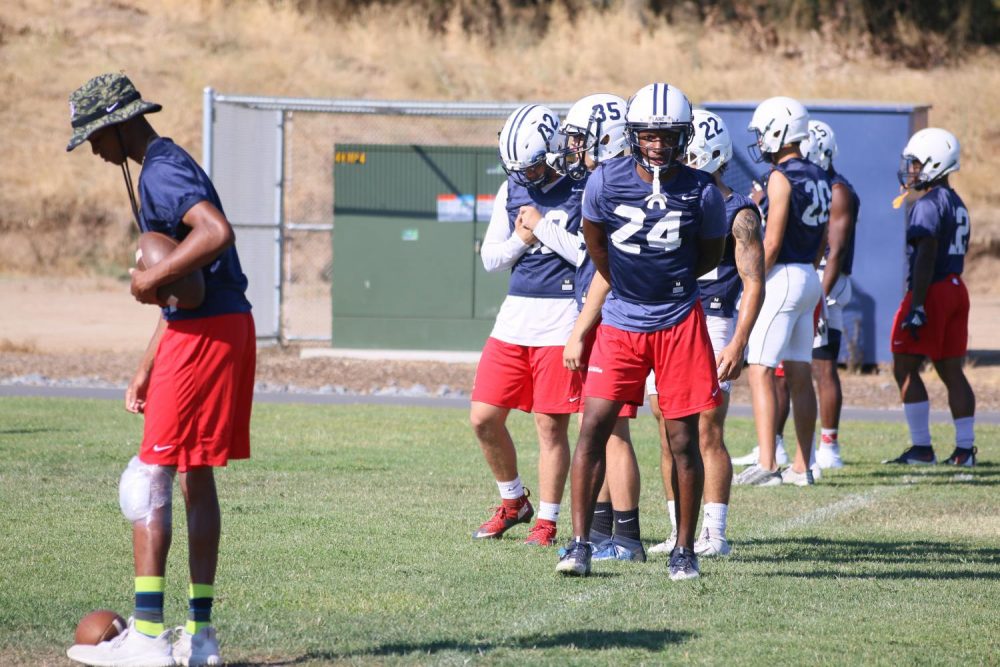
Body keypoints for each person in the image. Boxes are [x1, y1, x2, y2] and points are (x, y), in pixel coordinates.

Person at [65, 73, 254, 667]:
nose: (94, 150)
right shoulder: (163, 163)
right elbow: (185, 285)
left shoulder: (161, 169)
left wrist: (146, 279)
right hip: (217, 330)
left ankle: (146, 640)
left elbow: (216, 234)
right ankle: (200, 640)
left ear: (119, 125)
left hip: (205, 338)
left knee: (147, 479)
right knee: (195, 477)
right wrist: (148, 364)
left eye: (95, 136)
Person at [556, 83, 728, 580]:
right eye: (648, 135)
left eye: (668, 135)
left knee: (682, 439)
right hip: (622, 322)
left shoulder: (700, 190)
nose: (657, 144)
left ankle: (684, 549)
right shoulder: (605, 183)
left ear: (683, 136)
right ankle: (580, 544)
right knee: (593, 428)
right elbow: (598, 251)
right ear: (633, 135)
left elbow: (709, 258)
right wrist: (633, 290)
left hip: (678, 321)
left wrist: (666, 286)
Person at [647, 109, 765, 557]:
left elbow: (754, 281)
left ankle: (714, 532)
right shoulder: (671, 199)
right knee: (665, 429)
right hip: (668, 318)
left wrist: (738, 341)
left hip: (713, 320)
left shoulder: (739, 211)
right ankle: (680, 530)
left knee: (706, 431)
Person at [470, 104, 584, 548]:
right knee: (483, 418)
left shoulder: (582, 188)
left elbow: (587, 256)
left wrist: (540, 228)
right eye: (520, 167)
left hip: (560, 318)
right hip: (514, 317)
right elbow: (491, 258)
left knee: (549, 426)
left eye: (535, 164)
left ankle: (549, 522)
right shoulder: (511, 187)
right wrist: (522, 237)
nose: (529, 175)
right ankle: (513, 501)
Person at [558, 93, 647, 563]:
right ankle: (600, 531)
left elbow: (606, 271)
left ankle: (628, 537)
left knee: (612, 431)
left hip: (613, 319)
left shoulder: (612, 185)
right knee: (597, 428)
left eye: (579, 138)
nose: (573, 147)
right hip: (609, 317)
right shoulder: (610, 180)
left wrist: (581, 327)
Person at [735, 96, 830, 488]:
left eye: (763, 132)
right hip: (809, 274)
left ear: (779, 130)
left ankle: (768, 461)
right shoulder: (820, 174)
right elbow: (823, 237)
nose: (759, 141)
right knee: (799, 372)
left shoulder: (780, 177)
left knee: (758, 368)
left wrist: (752, 283)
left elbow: (770, 244)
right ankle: (802, 467)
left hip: (784, 275)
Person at [884, 128, 977, 466]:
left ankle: (922, 447)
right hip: (956, 287)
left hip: (933, 289)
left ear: (936, 163)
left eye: (918, 163)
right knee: (952, 369)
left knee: (904, 366)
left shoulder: (928, 204)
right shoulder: (957, 202)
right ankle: (965, 450)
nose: (912, 170)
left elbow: (925, 255)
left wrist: (918, 304)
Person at [799, 119, 860, 470]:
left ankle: (829, 446)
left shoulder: (837, 190)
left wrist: (818, 299)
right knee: (787, 366)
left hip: (826, 280)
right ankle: (777, 447)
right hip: (811, 275)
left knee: (823, 365)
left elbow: (834, 252)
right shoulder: (818, 184)